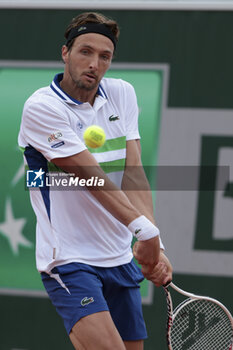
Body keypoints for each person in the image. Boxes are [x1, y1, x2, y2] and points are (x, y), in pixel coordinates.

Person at [18, 12, 172, 350]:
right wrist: (145, 232)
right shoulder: (41, 107)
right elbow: (91, 177)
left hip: (119, 257)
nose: (94, 64)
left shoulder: (122, 94)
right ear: (65, 53)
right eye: (85, 52)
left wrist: (155, 247)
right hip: (69, 259)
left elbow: (133, 172)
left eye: (105, 56)